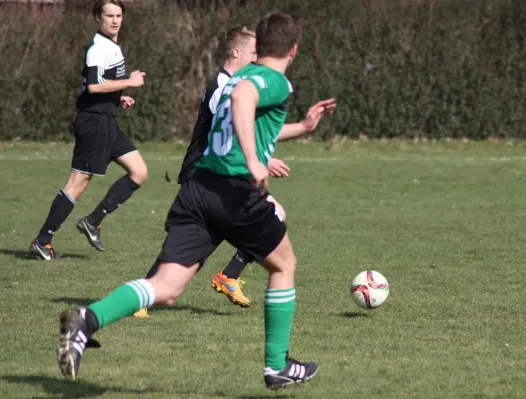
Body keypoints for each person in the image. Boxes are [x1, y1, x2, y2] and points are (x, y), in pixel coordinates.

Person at [56, 12, 335, 390]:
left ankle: (87, 319)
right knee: (284, 263)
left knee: (167, 287)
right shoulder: (273, 81)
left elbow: (243, 114)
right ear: (294, 49)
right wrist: (255, 160)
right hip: (233, 192)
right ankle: (276, 365)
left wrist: (301, 128)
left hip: (198, 189)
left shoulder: (239, 75)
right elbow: (243, 100)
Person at [133, 26, 333, 317]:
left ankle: (218, 277)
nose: (258, 58)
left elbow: (247, 127)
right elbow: (230, 130)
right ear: (236, 52)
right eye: (253, 52)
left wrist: (291, 135)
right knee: (194, 240)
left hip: (224, 169)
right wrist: (261, 158)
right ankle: (158, 288)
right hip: (207, 168)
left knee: (205, 236)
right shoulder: (223, 86)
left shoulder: (236, 82)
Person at [29, 0, 148, 260]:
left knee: (139, 172)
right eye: (109, 15)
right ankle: (43, 240)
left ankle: (93, 221)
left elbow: (101, 85)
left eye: (118, 15)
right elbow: (93, 87)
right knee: (78, 182)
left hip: (107, 120)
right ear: (98, 17)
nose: (115, 20)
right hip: (93, 122)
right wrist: (129, 82)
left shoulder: (112, 47)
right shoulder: (98, 48)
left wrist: (119, 97)